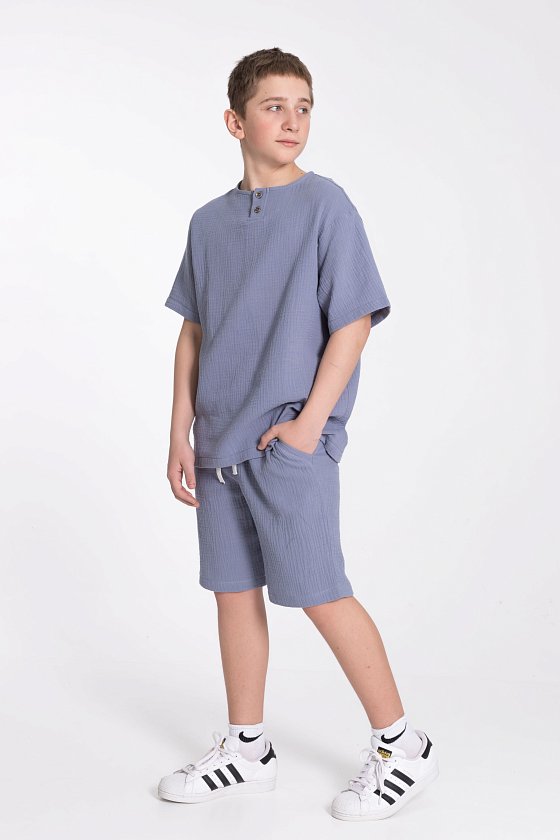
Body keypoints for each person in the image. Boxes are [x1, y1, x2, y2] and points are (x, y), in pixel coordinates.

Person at [157, 47, 439, 821]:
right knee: (232, 591)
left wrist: (310, 426)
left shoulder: (325, 206)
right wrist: (180, 430)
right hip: (219, 443)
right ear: (235, 121)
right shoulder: (208, 223)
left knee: (320, 591)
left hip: (287, 442)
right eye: (274, 106)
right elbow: (194, 330)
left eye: (304, 106)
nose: (292, 120)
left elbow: (353, 321)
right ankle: (247, 748)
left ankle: (402, 744)